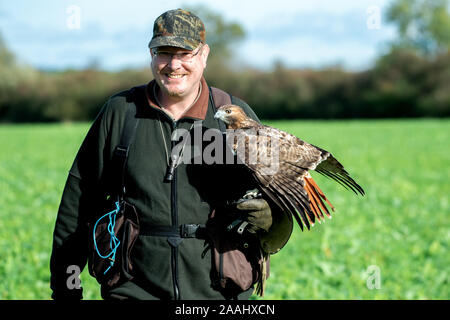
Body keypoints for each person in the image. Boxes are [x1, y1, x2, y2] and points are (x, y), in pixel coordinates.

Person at [50, 8, 292, 300]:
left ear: (203, 55)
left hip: (221, 293)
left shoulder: (235, 117)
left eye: (185, 53)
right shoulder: (121, 113)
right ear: (151, 55)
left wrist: (272, 220)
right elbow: (78, 205)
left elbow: (284, 206)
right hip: (133, 291)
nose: (173, 64)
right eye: (163, 52)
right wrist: (66, 289)